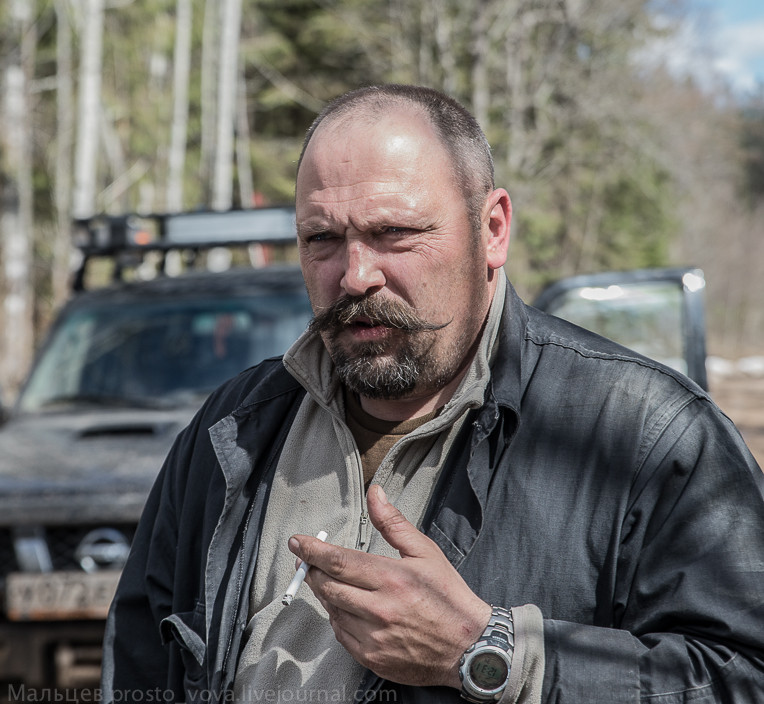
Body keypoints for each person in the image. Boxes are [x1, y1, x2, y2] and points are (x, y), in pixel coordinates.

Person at [101, 84, 764, 703]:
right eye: (322, 239)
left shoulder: (645, 435)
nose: (355, 276)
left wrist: (492, 653)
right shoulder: (233, 431)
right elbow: (139, 664)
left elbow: (744, 677)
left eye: (395, 233)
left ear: (493, 229)